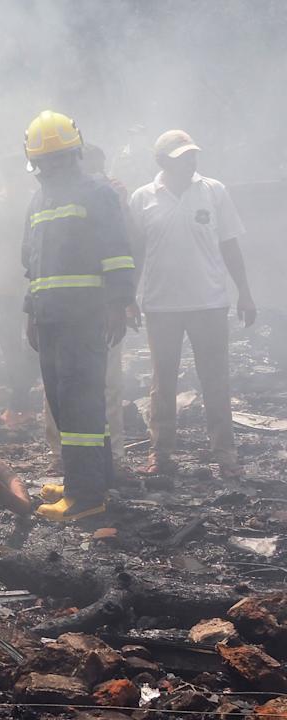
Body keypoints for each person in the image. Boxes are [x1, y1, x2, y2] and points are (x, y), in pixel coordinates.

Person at [21, 110, 135, 522]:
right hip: (50, 317)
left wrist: (119, 302)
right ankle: (88, 478)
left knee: (80, 402)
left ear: (75, 155)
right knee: (63, 402)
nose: (51, 168)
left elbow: (119, 251)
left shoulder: (96, 193)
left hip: (83, 318)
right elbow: (31, 261)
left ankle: (86, 499)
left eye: (59, 159)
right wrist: (31, 311)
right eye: (44, 162)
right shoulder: (40, 199)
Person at [129, 130, 254, 480]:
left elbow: (230, 244)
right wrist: (128, 298)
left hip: (210, 303)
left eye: (192, 155)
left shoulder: (213, 191)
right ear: (162, 161)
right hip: (160, 306)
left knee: (215, 379)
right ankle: (161, 452)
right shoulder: (142, 198)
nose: (191, 160)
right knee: (162, 382)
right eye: (182, 156)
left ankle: (226, 454)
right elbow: (135, 253)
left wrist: (244, 291)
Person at [43, 143, 138, 477]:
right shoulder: (55, 200)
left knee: (108, 385)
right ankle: (62, 453)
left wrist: (123, 301)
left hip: (97, 313)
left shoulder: (108, 199)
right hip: (62, 315)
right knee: (60, 387)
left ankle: (112, 458)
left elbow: (124, 252)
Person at [0, 155, 40, 429]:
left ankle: (22, 401)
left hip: (32, 287)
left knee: (34, 347)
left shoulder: (36, 201)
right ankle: (20, 404)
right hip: (3, 289)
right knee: (11, 348)